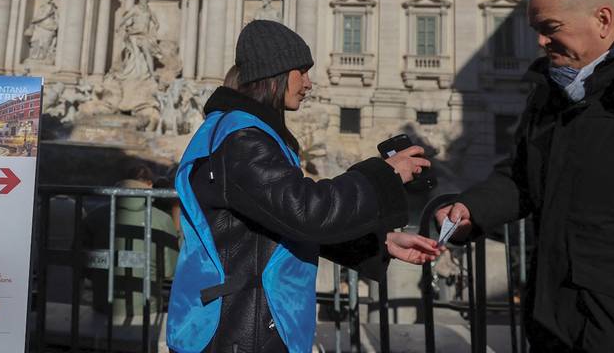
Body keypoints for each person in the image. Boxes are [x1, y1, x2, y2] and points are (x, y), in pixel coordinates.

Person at [437, 0, 614, 352]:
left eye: (550, 27)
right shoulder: (548, 92)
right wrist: (473, 208)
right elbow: (523, 176)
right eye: (536, 28)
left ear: (602, 19)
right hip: (554, 317)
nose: (540, 40)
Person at [168, 20, 440, 353]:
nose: (309, 83)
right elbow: (306, 211)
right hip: (240, 326)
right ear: (276, 73)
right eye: (303, 71)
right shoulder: (242, 139)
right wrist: (386, 174)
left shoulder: (240, 132)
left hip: (241, 317)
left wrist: (378, 242)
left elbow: (278, 223)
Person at [83, 164, 179, 322]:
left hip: (102, 306)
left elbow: (82, 262)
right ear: (150, 185)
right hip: (146, 309)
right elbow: (170, 272)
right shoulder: (162, 220)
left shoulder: (94, 216)